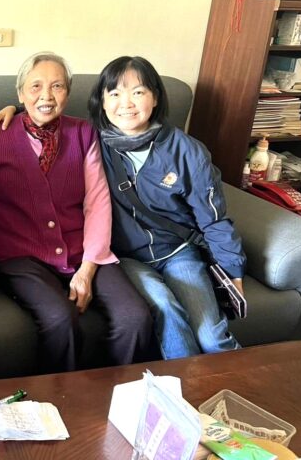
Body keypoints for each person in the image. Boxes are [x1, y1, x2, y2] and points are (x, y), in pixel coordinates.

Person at [0, 52, 154, 373]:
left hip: (82, 251)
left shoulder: (84, 133)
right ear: (20, 94)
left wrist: (88, 268)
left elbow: (97, 201)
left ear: (67, 93)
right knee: (60, 319)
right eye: (36, 86)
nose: (46, 95)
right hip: (18, 256)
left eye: (57, 86)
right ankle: (61, 397)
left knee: (135, 317)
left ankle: (121, 393)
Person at [86, 56, 244, 358]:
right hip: (125, 258)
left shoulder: (187, 151)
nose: (126, 103)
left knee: (212, 337)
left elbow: (213, 218)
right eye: (115, 93)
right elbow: (43, 121)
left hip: (178, 252)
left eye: (138, 92)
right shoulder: (89, 143)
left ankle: (242, 384)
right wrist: (11, 109)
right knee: (166, 309)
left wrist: (233, 270)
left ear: (155, 97)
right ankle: (184, 387)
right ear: (102, 103)